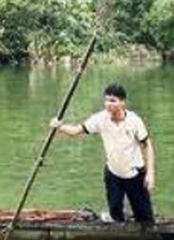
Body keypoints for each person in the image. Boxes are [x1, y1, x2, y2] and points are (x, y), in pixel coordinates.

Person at [50, 84, 156, 223]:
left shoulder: (134, 121)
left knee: (146, 219)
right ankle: (117, 223)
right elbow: (76, 131)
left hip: (134, 175)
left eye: (113, 101)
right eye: (106, 100)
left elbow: (147, 145)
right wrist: (59, 127)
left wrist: (150, 173)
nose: (108, 104)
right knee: (115, 215)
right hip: (114, 174)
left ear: (123, 103)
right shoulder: (100, 119)